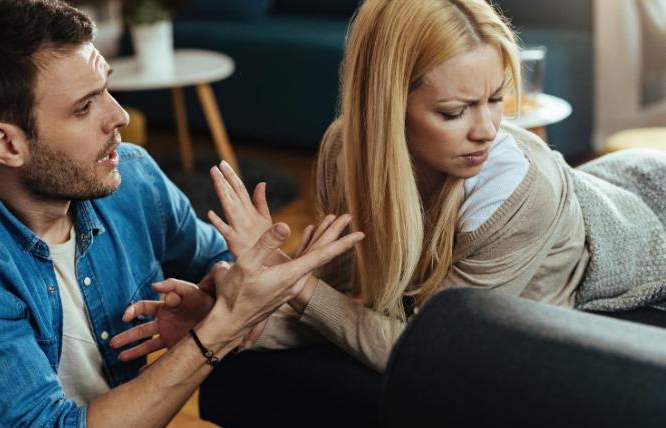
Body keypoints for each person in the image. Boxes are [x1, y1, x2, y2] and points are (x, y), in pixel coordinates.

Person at [0, 1, 363, 428]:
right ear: (6, 145)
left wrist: (215, 294)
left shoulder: (132, 178)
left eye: (105, 88)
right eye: (85, 108)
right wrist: (219, 329)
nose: (120, 116)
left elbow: (219, 264)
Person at [115, 0, 666, 373]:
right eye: (455, 111)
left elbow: (427, 351)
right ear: (387, 108)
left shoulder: (517, 191)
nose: (488, 129)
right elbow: (351, 306)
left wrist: (293, 283)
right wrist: (218, 320)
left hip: (643, 221)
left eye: (497, 99)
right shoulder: (345, 151)